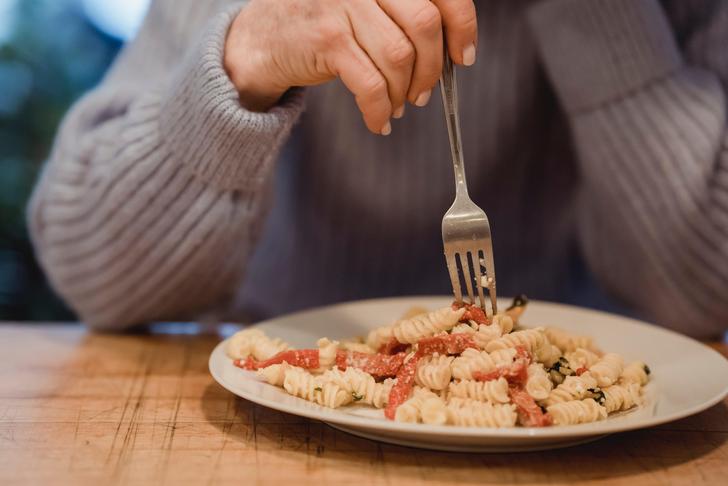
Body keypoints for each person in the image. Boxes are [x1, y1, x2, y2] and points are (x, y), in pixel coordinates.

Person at [28, 0, 728, 338]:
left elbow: (704, 292)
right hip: (275, 402)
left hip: (587, 434)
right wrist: (244, 59)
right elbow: (95, 275)